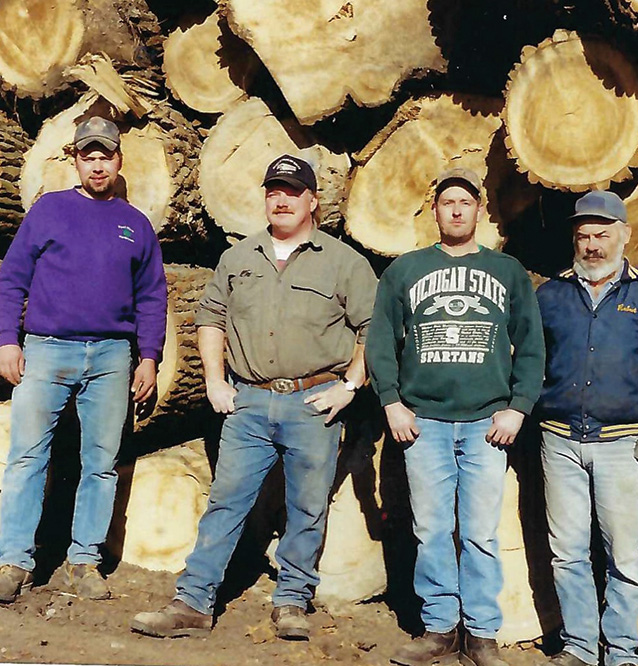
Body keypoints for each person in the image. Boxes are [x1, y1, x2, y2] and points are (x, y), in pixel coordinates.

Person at [131, 154, 377, 640]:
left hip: (315, 404)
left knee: (307, 509)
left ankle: (291, 601)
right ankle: (193, 602)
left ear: (312, 200)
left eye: (291, 191)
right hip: (249, 402)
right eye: (273, 191)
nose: (280, 200)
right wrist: (216, 382)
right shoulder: (239, 258)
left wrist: (348, 388)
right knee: (226, 502)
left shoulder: (344, 263)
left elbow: (376, 331)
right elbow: (209, 318)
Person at [366, 168, 545, 666]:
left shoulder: (507, 272)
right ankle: (440, 627)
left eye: (466, 202)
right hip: (422, 422)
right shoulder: (405, 271)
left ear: (481, 211)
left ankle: (482, 633)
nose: (457, 210)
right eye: (448, 203)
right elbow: (380, 341)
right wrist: (391, 402)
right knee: (432, 528)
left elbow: (532, 346)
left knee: (480, 532)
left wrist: (517, 408)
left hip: (488, 423)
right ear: (436, 211)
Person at [0, 116, 167, 602]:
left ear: (119, 160)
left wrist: (150, 357)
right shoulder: (49, 211)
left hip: (112, 356)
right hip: (46, 350)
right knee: (27, 457)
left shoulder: (135, 224)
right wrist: (8, 340)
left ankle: (84, 561)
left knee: (100, 462)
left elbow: (152, 297)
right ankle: (13, 560)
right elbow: (11, 280)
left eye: (106, 156)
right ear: (75, 160)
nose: (97, 165)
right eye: (88, 156)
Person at [534, 190, 638, 666]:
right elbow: (533, 360)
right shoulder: (551, 295)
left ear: (626, 236)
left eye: (603, 234)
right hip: (558, 440)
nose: (593, 245)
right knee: (568, 552)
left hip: (622, 445)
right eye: (584, 236)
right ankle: (579, 645)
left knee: (622, 554)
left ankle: (619, 649)